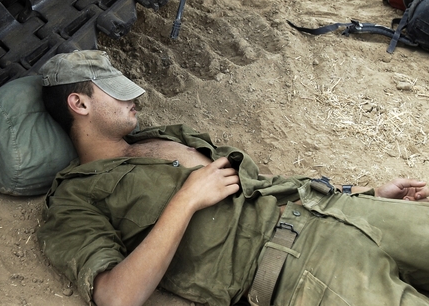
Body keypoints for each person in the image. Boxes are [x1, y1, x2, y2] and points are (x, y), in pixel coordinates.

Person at [36, 49, 429, 306]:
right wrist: (186, 200)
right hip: (298, 265)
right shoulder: (75, 198)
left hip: (331, 209)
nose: (135, 98)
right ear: (80, 103)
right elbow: (115, 297)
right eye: (117, 93)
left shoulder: (162, 136)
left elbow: (257, 184)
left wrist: (364, 193)